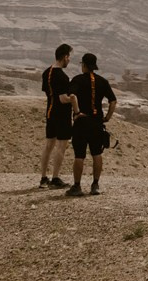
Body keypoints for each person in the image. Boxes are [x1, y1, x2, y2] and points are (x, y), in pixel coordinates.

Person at [67, 52, 118, 197]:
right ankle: (95, 185)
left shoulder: (77, 80)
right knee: (97, 154)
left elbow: (72, 96)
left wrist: (77, 112)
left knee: (79, 155)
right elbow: (113, 101)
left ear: (83, 65)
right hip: (96, 123)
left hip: (82, 122)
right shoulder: (102, 81)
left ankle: (77, 187)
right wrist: (107, 117)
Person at [38, 44, 76, 188]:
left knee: (48, 145)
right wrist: (73, 98)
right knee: (61, 146)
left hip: (50, 112)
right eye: (69, 57)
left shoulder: (46, 72)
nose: (69, 60)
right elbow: (62, 99)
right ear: (65, 57)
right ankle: (55, 178)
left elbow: (49, 94)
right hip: (62, 114)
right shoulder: (62, 76)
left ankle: (43, 178)